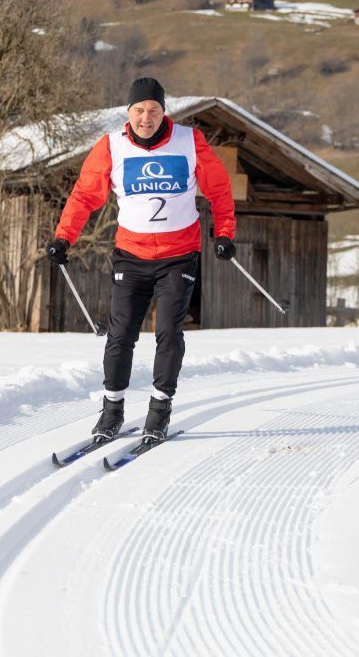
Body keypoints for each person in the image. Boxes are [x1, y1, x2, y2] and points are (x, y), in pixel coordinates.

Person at [46, 77, 237, 444]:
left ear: (163, 112)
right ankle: (111, 410)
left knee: (168, 332)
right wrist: (63, 237)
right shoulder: (111, 147)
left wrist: (224, 233)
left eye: (153, 110)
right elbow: (85, 196)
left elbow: (219, 189)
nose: (145, 117)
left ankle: (160, 409)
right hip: (130, 256)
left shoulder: (189, 141)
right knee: (120, 335)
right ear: (128, 113)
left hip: (178, 256)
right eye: (138, 110)